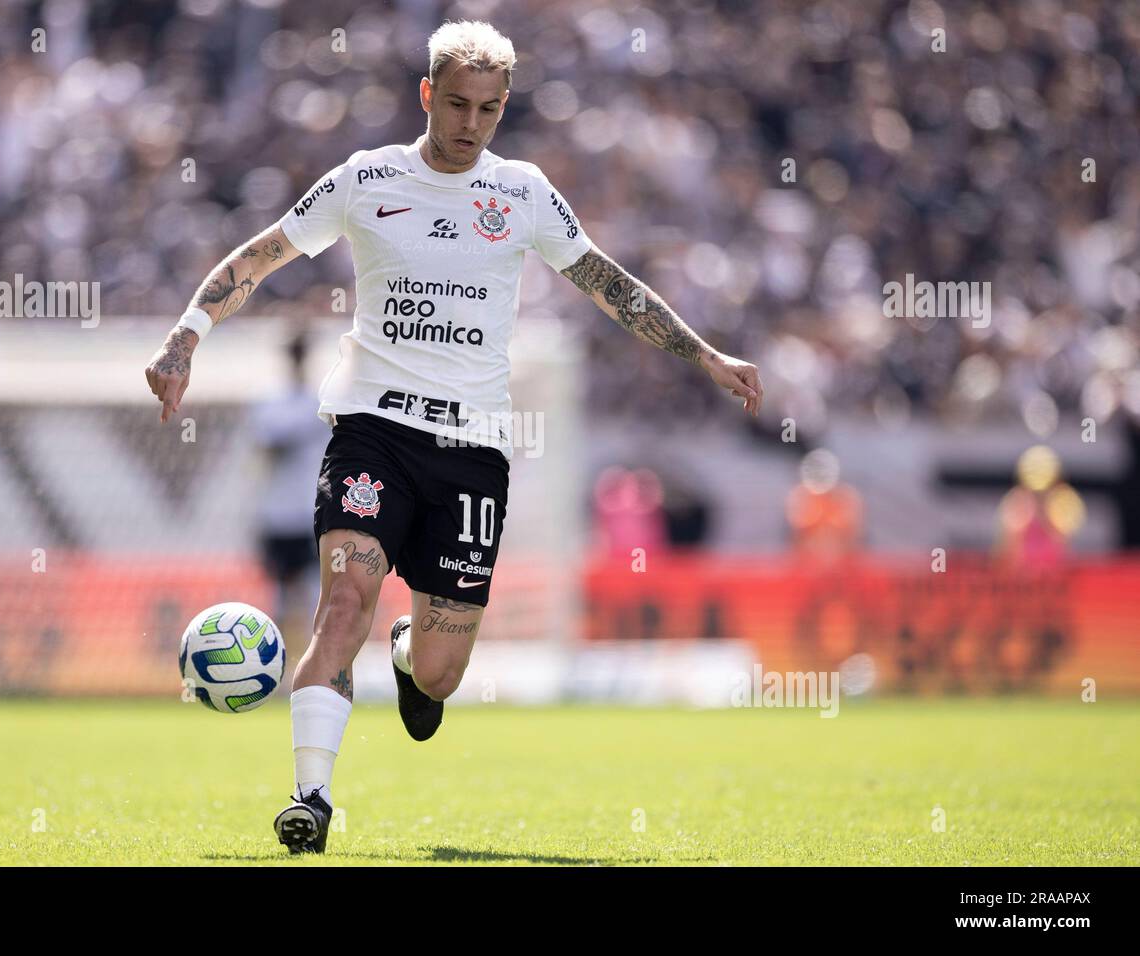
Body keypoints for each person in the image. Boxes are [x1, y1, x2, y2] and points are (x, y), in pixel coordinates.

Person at [144, 19, 763, 855]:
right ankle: (310, 799)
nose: (472, 125)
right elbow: (261, 255)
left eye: (491, 110)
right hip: (372, 432)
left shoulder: (523, 193)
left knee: (440, 673)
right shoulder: (367, 179)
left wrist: (704, 354)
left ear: (505, 110)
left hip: (472, 454)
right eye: (459, 105)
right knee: (343, 604)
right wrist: (187, 333)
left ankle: (410, 658)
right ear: (427, 95)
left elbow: (606, 282)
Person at [248, 332, 327, 680]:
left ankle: (316, 673)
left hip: (310, 513)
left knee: (314, 599)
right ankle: (273, 671)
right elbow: (266, 447)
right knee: (280, 600)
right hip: (278, 514)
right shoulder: (272, 403)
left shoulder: (320, 401)